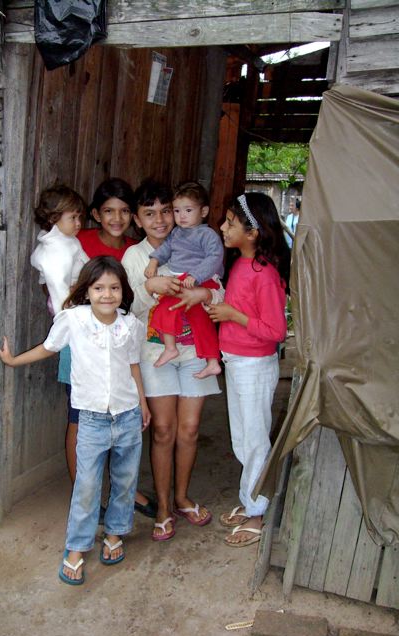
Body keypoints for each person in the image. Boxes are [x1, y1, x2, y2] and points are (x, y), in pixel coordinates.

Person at [0, 256, 151, 585]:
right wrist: (13, 361)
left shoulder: (131, 325)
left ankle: (114, 534)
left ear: (123, 291)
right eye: (98, 288)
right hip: (92, 420)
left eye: (114, 287)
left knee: (125, 482)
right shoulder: (72, 320)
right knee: (87, 485)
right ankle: (77, 547)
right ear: (87, 290)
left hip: (127, 416)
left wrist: (143, 403)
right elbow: (48, 348)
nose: (106, 294)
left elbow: (133, 365)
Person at [122, 179, 223, 542]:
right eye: (150, 214)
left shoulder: (196, 241)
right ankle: (163, 506)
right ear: (138, 219)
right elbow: (126, 307)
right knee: (163, 430)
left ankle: (182, 497)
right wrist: (150, 289)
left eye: (167, 211)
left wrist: (204, 293)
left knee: (190, 429)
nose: (162, 220)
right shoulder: (134, 257)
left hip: (195, 350)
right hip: (155, 353)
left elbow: (219, 289)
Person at [61, 177, 155, 518]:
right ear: (95, 214)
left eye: (125, 211)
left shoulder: (134, 249)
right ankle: (82, 495)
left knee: (120, 415)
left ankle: (121, 490)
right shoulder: (79, 241)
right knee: (80, 418)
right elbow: (56, 279)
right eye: (109, 211)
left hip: (119, 346)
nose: (118, 218)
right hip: (82, 345)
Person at [207, 192, 290, 548]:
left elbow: (276, 332)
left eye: (230, 222)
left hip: (255, 365)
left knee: (255, 440)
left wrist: (233, 315)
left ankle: (258, 512)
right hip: (237, 362)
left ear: (253, 232)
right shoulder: (241, 264)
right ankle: (250, 499)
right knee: (242, 438)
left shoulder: (265, 273)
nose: (223, 228)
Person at [144, 181, 224, 379]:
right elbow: (165, 250)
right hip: (180, 280)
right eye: (177, 211)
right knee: (168, 310)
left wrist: (195, 276)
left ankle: (211, 359)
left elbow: (215, 257)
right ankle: (174, 349)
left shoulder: (207, 234)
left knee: (189, 317)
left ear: (203, 211)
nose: (182, 216)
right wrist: (153, 261)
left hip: (202, 280)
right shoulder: (177, 233)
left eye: (188, 210)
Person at [30, 184, 89, 317]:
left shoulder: (68, 239)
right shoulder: (55, 251)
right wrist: (66, 318)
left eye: (79, 217)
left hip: (78, 297)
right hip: (67, 303)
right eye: (73, 218)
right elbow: (58, 287)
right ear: (53, 218)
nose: (78, 223)